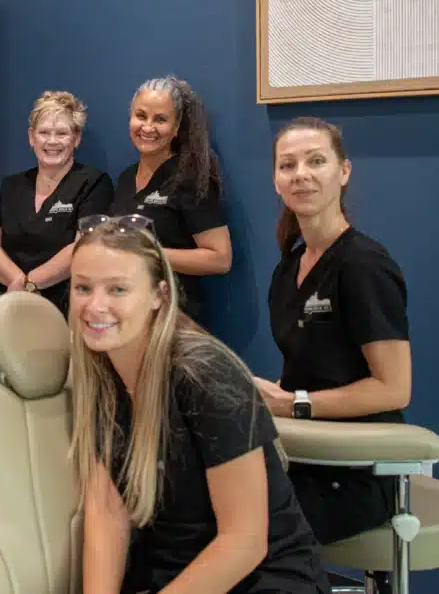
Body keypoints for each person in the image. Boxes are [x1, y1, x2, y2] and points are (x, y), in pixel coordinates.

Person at [71, 214, 330, 594]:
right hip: (170, 576)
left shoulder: (204, 374)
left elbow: (243, 542)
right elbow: (107, 511)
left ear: (159, 295)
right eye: (82, 287)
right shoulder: (99, 375)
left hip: (262, 580)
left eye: (118, 290)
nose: (95, 306)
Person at [256, 118, 410, 576]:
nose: (301, 173)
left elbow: (393, 389)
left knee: (243, 535)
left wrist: (294, 404)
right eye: (288, 165)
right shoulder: (289, 269)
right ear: (276, 180)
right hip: (305, 459)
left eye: (316, 161)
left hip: (358, 473)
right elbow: (308, 371)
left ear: (343, 171)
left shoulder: (364, 264)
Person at [107, 75, 231, 327]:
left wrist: (150, 253)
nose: (148, 127)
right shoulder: (125, 178)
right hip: (129, 315)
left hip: (176, 317)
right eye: (141, 116)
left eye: (160, 119)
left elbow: (220, 259)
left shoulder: (190, 178)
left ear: (176, 128)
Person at [0, 90, 114, 316]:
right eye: (44, 132)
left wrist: (30, 284)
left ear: (76, 138)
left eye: (62, 133)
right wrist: (19, 284)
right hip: (13, 308)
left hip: (70, 314)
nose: (52, 141)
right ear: (31, 137)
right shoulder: (12, 185)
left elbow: (82, 247)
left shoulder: (94, 183)